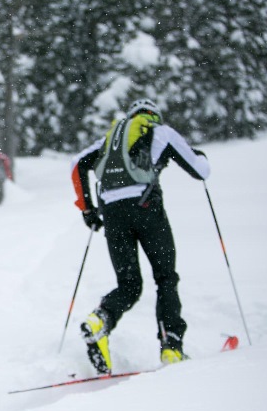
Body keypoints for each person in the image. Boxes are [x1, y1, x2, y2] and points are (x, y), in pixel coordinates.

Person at [70, 98, 210, 375]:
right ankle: (171, 346)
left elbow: (77, 165)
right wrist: (201, 156)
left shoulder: (110, 138)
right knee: (165, 277)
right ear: (153, 116)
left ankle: (100, 320)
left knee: (129, 285)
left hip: (113, 215)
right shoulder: (161, 132)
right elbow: (201, 170)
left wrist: (88, 210)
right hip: (147, 209)